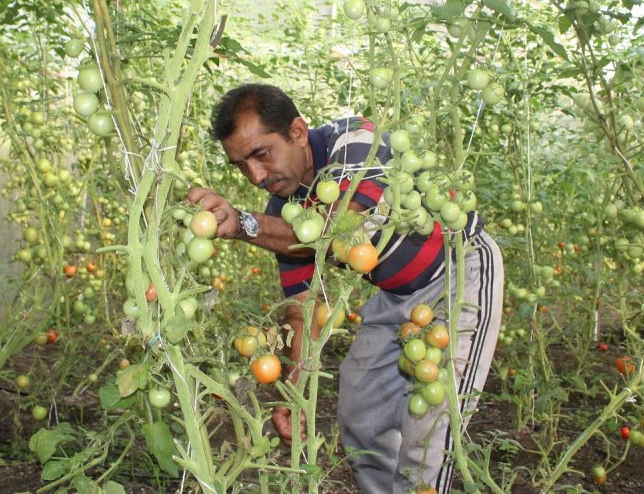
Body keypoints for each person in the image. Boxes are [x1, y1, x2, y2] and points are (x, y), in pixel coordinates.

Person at [187, 84, 504, 494]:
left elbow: (335, 231)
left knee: (431, 430)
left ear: (298, 131)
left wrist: (245, 225)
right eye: (240, 166)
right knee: (361, 415)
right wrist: (292, 394)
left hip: (460, 274)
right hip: (396, 297)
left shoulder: (355, 141)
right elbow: (302, 307)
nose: (256, 177)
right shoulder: (281, 213)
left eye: (261, 154)